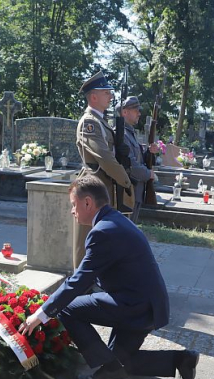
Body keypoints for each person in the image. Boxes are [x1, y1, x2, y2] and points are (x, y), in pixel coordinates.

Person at [19, 175, 199, 379]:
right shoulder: (115, 220)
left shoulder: (103, 232)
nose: (72, 211)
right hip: (147, 305)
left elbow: (77, 281)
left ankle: (109, 369)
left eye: (73, 205)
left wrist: (41, 314)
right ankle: (181, 360)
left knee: (67, 309)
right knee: (123, 362)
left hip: (134, 307)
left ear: (87, 202)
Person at [73, 71, 133, 267]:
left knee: (102, 236)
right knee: (86, 238)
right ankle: (80, 286)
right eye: (106, 92)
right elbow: (104, 157)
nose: (111, 96)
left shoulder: (101, 122)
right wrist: (125, 179)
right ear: (93, 96)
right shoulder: (90, 122)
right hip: (93, 184)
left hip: (102, 185)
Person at [118, 96, 159, 222]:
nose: (139, 113)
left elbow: (139, 159)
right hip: (128, 192)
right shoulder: (122, 135)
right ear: (125, 112)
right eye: (136, 110)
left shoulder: (131, 133)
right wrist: (149, 174)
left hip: (136, 192)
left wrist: (149, 153)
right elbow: (131, 165)